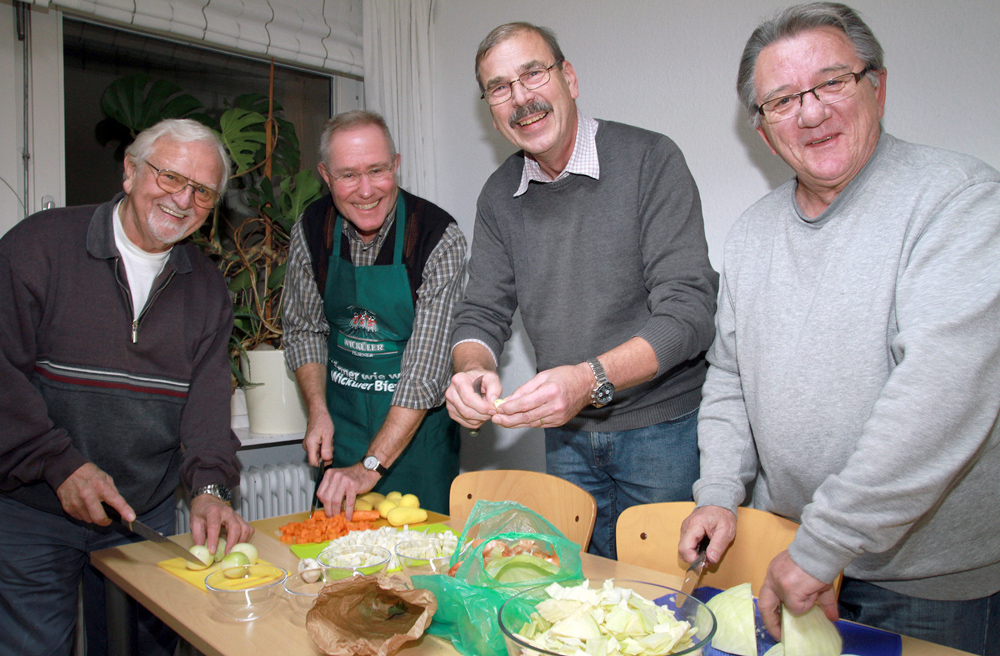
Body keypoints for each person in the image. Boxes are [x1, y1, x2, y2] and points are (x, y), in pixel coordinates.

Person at [679, 3, 1000, 653]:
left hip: (927, 581)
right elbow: (730, 377)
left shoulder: (959, 199)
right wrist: (717, 492)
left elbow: (941, 393)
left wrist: (824, 542)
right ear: (764, 132)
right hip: (793, 552)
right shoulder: (750, 233)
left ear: (877, 87)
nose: (812, 111)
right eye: (783, 100)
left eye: (832, 82)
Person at [446, 22, 718, 559]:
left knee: (668, 605)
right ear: (491, 108)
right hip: (566, 437)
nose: (521, 98)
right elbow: (481, 310)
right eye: (500, 87)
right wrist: (470, 367)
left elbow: (690, 311)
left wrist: (590, 380)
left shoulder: (650, 159)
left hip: (664, 431)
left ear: (568, 77)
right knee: (579, 602)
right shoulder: (500, 194)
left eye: (533, 74)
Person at [0, 118, 253, 656]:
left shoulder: (206, 287)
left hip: (142, 516)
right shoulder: (38, 246)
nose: (182, 200)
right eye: (169, 177)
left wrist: (210, 491)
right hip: (32, 509)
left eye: (202, 191)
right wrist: (58, 463)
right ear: (130, 171)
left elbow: (208, 409)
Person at [283, 110, 466, 517]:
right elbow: (303, 330)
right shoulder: (311, 228)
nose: (366, 190)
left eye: (378, 171)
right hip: (341, 429)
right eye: (348, 175)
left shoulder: (437, 236)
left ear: (396, 165)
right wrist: (317, 411)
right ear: (325, 176)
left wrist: (369, 466)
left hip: (418, 443)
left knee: (419, 569)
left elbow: (425, 371)